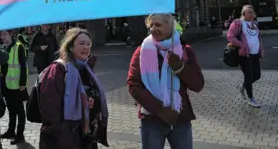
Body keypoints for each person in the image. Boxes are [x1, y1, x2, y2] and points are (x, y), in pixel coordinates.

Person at [127, 14, 204, 149]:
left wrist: (180, 68)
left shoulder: (184, 50)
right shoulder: (142, 51)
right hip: (152, 119)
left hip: (180, 117)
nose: (153, 28)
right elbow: (134, 85)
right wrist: (159, 109)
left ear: (171, 26)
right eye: (151, 25)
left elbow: (198, 85)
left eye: (158, 25)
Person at [39, 28, 109, 149]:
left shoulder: (86, 68)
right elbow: (49, 107)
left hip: (86, 134)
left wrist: (91, 103)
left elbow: (93, 95)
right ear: (70, 46)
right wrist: (60, 134)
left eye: (88, 44)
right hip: (64, 137)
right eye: (81, 43)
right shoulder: (58, 69)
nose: (86, 47)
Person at [227, 5, 264, 108]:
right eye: (250, 12)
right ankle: (251, 99)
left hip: (255, 54)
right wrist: (241, 44)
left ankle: (243, 86)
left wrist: (261, 49)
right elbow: (230, 36)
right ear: (244, 14)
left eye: (253, 12)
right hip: (244, 55)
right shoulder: (238, 23)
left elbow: (258, 38)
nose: (253, 14)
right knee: (248, 76)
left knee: (257, 75)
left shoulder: (255, 24)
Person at [0, 30, 28, 144]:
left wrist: (23, 83)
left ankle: (20, 134)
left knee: (20, 110)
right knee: (11, 108)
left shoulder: (18, 46)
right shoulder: (2, 47)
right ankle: (11, 131)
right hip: (6, 84)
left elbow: (23, 65)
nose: (3, 37)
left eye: (5, 34)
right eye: (1, 35)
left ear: (11, 34)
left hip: (16, 84)